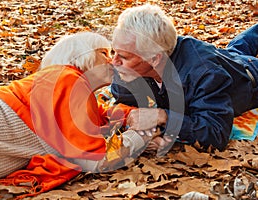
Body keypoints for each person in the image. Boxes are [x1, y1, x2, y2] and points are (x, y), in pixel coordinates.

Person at [0, 32, 150, 195]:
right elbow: (97, 160)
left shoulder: (63, 84)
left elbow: (104, 112)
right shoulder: (68, 79)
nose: (112, 61)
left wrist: (133, 115)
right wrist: (142, 134)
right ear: (81, 55)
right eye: (104, 53)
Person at [110, 4, 258, 152]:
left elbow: (216, 133)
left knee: (238, 58)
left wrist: (164, 117)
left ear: (154, 59)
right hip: (219, 58)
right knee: (235, 50)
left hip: (248, 76)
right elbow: (126, 101)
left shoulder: (205, 75)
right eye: (113, 52)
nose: (114, 61)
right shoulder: (129, 65)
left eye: (123, 56)